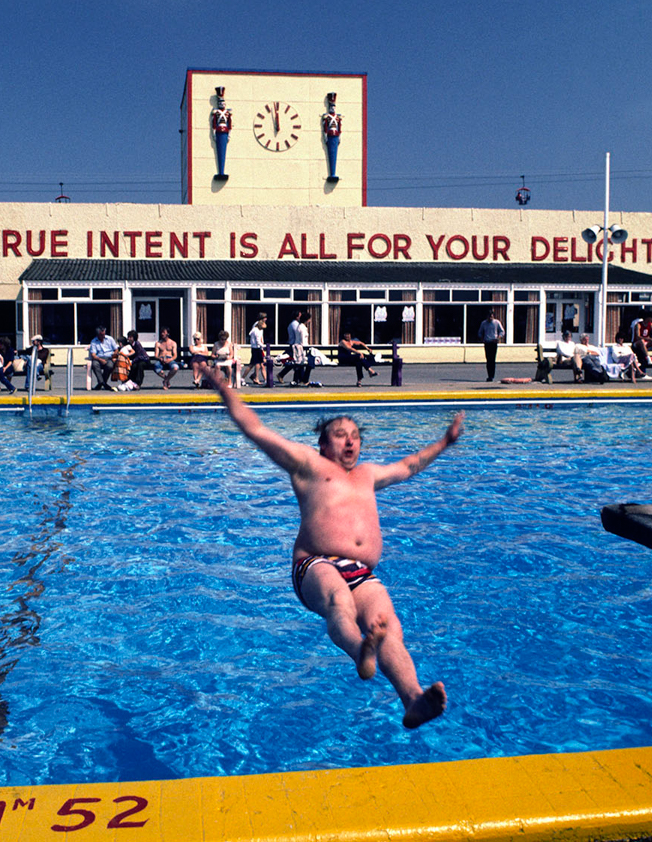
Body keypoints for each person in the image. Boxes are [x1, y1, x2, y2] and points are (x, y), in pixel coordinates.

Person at [195, 359, 461, 729]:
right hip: (315, 563)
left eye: (355, 435)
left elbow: (410, 465)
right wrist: (223, 387)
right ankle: (360, 652)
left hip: (361, 571)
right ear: (322, 444)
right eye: (340, 434)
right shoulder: (307, 464)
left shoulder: (367, 475)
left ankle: (412, 697)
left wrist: (444, 443)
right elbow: (253, 427)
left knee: (388, 625)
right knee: (339, 600)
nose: (350, 440)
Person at [278, 309, 317, 387]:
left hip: (295, 345)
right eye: (299, 315)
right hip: (297, 346)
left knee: (297, 364)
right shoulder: (296, 325)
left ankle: (297, 379)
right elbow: (301, 338)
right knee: (297, 363)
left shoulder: (295, 324)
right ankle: (298, 378)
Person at [87, 326, 118, 390]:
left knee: (109, 365)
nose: (103, 336)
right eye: (101, 335)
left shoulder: (110, 339)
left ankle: (101, 383)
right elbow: (93, 355)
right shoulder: (94, 341)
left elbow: (116, 349)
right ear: (98, 335)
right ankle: (103, 383)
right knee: (95, 364)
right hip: (98, 358)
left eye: (104, 334)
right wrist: (100, 360)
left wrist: (114, 356)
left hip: (109, 357)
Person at [477, 312, 505, 381]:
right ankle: (489, 375)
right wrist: (482, 338)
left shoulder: (497, 323)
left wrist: (499, 337)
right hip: (487, 342)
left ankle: (492, 375)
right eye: (489, 317)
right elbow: (480, 332)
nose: (490, 318)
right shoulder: (484, 323)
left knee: (492, 359)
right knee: (488, 359)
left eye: (491, 317)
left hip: (493, 342)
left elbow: (502, 331)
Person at [245, 315, 270, 387]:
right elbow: (259, 341)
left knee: (259, 364)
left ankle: (258, 378)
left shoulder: (256, 329)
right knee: (257, 364)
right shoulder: (257, 331)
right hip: (257, 348)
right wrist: (264, 346)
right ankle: (256, 378)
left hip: (256, 348)